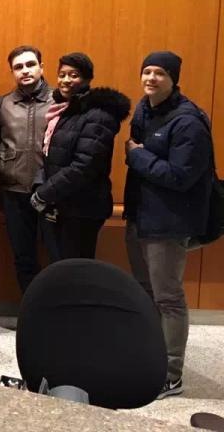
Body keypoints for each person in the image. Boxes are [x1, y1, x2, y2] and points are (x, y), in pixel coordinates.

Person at [124, 51, 212, 400]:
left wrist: (138, 154)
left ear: (173, 78)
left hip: (168, 223)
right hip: (140, 215)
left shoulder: (189, 121)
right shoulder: (144, 108)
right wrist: (143, 155)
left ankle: (171, 374)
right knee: (145, 292)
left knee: (169, 298)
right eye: (147, 71)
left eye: (160, 73)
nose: (152, 78)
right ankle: (150, 357)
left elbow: (181, 176)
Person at [31, 52, 130, 262]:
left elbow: (84, 166)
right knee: (60, 266)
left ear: (86, 79)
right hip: (61, 205)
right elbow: (51, 155)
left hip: (82, 208)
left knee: (75, 270)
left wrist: (43, 194)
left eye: (73, 75)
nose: (66, 80)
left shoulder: (98, 115)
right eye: (62, 74)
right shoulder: (65, 111)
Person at [0, 46, 53, 293]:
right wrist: (4, 168)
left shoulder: (60, 101)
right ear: (12, 72)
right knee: (24, 257)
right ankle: (31, 310)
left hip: (51, 193)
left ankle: (56, 311)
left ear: (41, 68)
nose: (25, 71)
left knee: (56, 257)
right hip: (14, 193)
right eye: (18, 67)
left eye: (30, 64)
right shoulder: (3, 104)